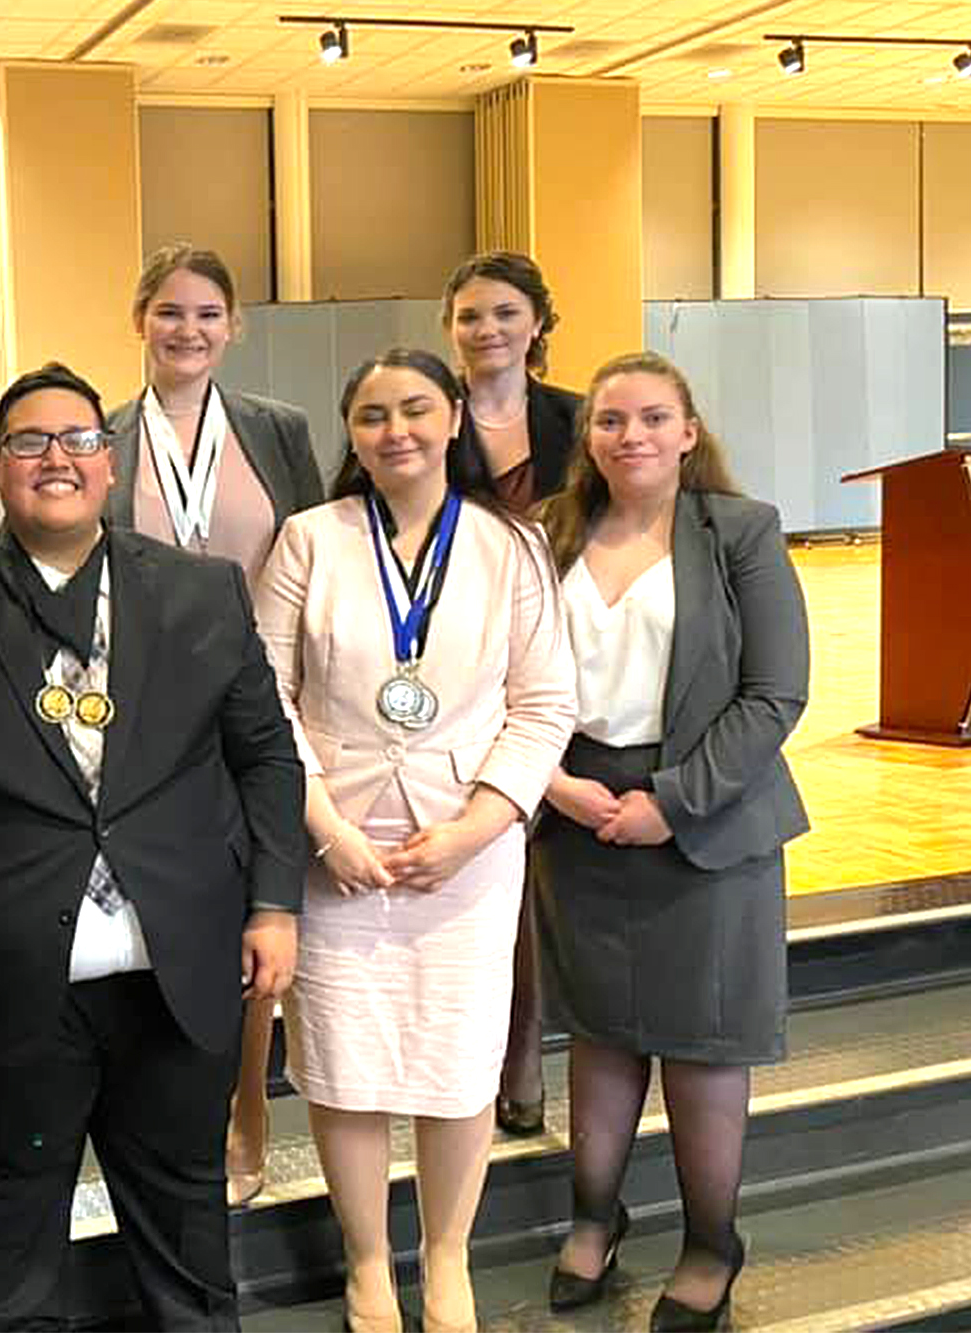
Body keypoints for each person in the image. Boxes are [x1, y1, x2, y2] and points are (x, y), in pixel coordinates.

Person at [0, 361, 306, 1329]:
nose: (53, 457)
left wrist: (273, 901)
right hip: (1, 987)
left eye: (77, 439)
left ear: (109, 465)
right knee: (7, 1267)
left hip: (173, 975)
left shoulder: (202, 595)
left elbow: (264, 757)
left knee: (187, 1262)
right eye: (27, 442)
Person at [253, 348, 575, 1333]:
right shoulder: (307, 539)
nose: (395, 431)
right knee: (346, 1064)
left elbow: (544, 702)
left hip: (464, 853)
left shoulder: (507, 545)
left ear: (450, 421)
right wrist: (325, 828)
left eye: (414, 410)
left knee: (455, 1063)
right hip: (334, 848)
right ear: (348, 432)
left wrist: (478, 826)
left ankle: (445, 1260)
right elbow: (261, 697)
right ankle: (364, 1262)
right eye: (371, 415)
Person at [532, 351, 808, 1332]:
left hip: (706, 819)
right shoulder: (548, 534)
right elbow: (506, 679)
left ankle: (708, 1241)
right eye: (610, 419)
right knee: (599, 1035)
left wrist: (671, 800)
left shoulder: (738, 532)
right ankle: (592, 1219)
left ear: (687, 431)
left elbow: (773, 692)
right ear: (589, 437)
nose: (631, 435)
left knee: (699, 1046)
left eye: (653, 417)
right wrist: (552, 782)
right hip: (573, 812)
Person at [105, 243, 324, 1207]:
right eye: (169, 311)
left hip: (257, 699)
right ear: (139, 319)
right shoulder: (103, 437)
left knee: (256, 914)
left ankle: (248, 1106)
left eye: (207, 313)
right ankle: (150, 1103)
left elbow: (319, 558)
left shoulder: (279, 430)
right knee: (157, 914)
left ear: (234, 326)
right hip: (136, 716)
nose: (187, 330)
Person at [441, 249, 584, 1136]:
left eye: (504, 313)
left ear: (536, 323)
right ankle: (472, 1056)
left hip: (563, 660)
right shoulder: (426, 413)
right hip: (453, 665)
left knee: (542, 879)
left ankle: (525, 1049)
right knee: (487, 871)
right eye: (469, 316)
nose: (487, 330)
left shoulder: (578, 418)